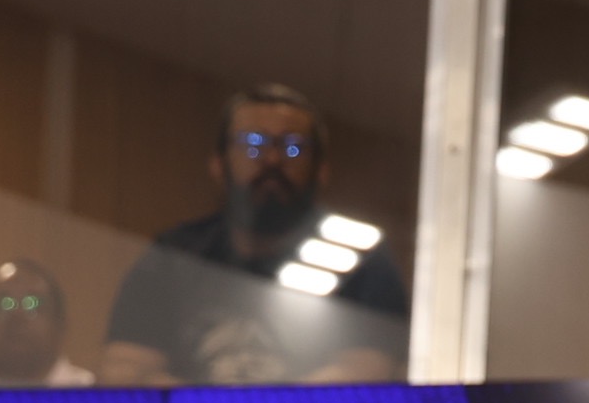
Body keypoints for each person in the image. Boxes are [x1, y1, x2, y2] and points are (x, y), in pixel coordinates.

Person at [97, 86, 409, 385]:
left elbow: (367, 376)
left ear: (321, 171)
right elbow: (124, 374)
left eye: (293, 147)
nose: (272, 160)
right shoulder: (173, 257)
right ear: (218, 165)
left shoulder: (357, 256)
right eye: (253, 143)